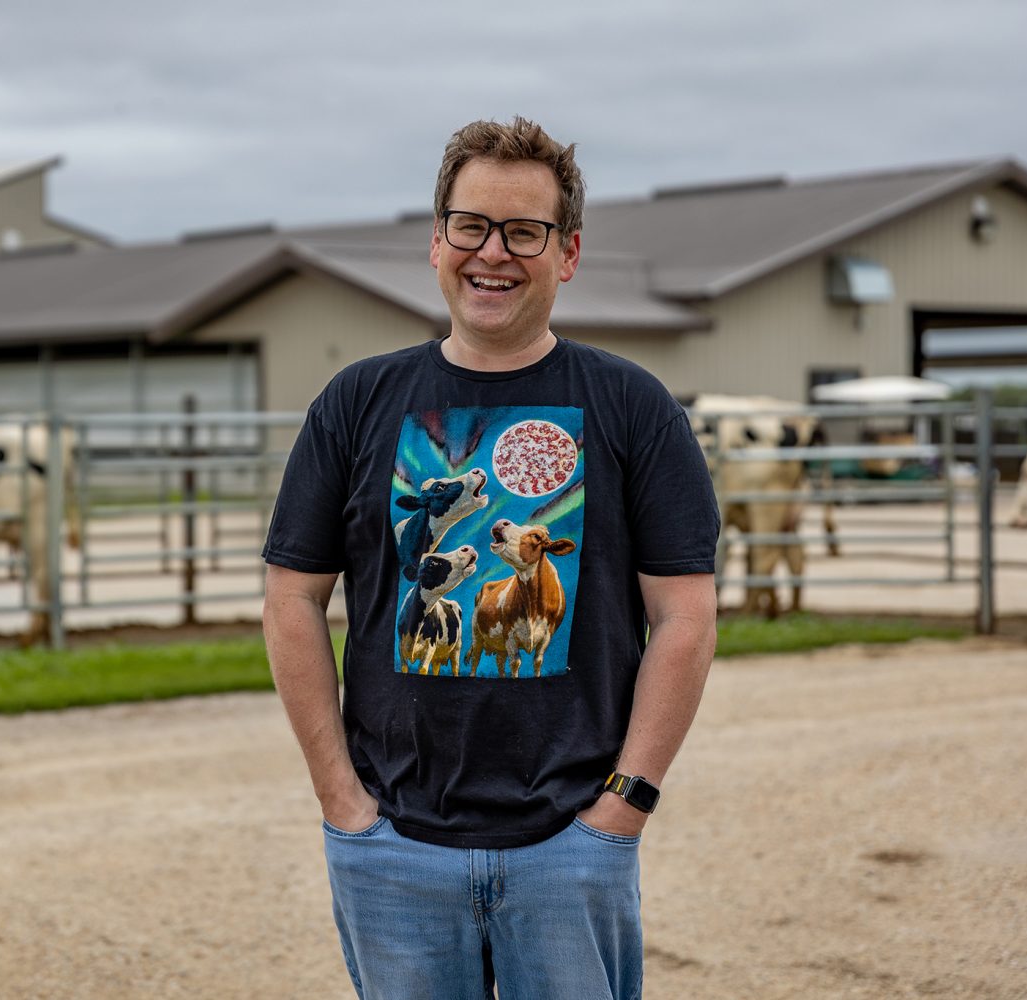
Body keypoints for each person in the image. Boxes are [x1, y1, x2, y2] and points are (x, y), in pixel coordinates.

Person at [261, 116, 719, 1000]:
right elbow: (292, 598)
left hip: (570, 849)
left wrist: (622, 807)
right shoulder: (356, 403)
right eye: (471, 225)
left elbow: (685, 617)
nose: (493, 253)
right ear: (437, 241)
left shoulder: (634, 407)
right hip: (393, 848)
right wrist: (340, 800)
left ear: (568, 252)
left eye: (524, 231)